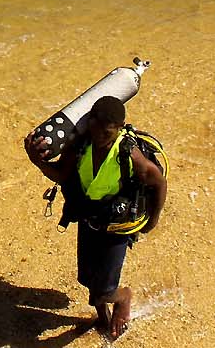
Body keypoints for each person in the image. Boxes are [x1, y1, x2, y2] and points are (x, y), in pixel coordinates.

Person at [23, 96, 166, 340]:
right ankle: (103, 319)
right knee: (88, 279)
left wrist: (152, 221)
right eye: (96, 128)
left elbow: (159, 182)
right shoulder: (80, 145)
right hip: (89, 219)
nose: (100, 136)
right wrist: (37, 162)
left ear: (119, 129)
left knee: (105, 289)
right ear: (89, 122)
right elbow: (61, 175)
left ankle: (123, 297)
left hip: (117, 227)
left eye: (107, 132)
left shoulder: (129, 156)